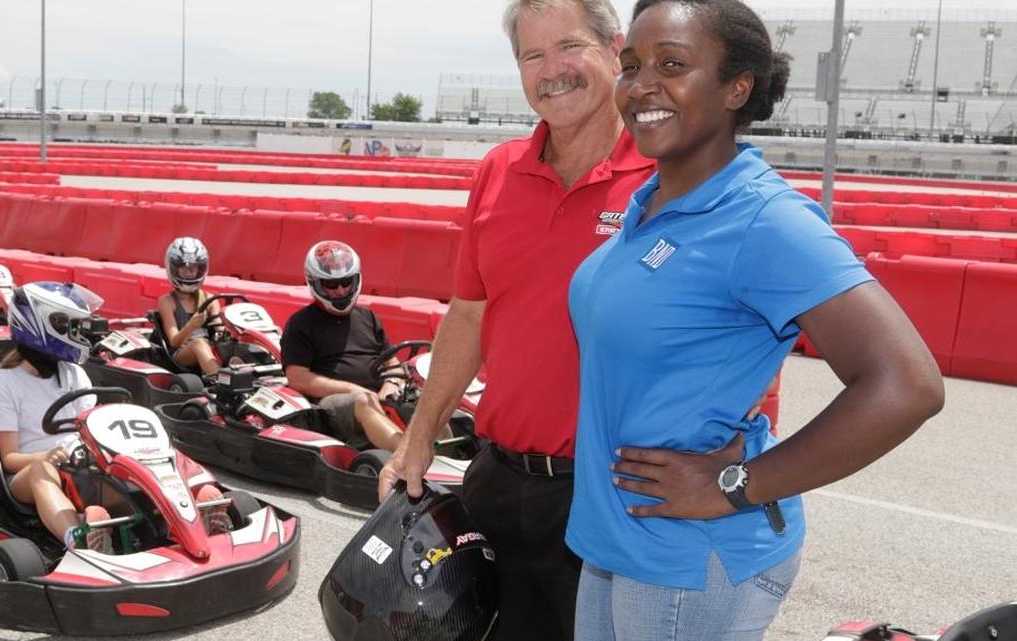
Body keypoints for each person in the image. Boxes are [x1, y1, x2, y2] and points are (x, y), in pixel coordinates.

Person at [564, 2, 945, 640]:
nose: (643, 84)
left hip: (690, 557)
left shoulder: (763, 219)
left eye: (673, 64)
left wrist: (737, 483)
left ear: (737, 87)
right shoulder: (651, 207)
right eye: (631, 66)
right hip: (619, 540)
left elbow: (908, 384)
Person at [377, 2, 656, 640]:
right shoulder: (497, 173)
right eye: (532, 56)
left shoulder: (668, 177)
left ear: (615, 48)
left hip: (609, 495)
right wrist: (419, 436)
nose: (551, 71)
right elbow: (469, 314)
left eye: (569, 47)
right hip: (497, 482)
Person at [0, 282, 230, 555]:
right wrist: (46, 456)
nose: (78, 334)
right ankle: (76, 537)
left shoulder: (73, 373)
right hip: (30, 472)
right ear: (43, 325)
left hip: (78, 459)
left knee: (146, 453)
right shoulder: (5, 384)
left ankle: (195, 506)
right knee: (42, 473)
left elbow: (91, 418)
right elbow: (8, 458)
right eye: (72, 327)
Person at [282, 241, 414, 452]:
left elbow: (392, 363)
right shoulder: (301, 324)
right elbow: (298, 378)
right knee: (363, 401)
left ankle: (451, 455)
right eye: (331, 285)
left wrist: (391, 384)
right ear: (315, 283)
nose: (341, 290)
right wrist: (353, 389)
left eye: (346, 282)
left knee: (425, 395)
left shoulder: (368, 317)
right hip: (329, 407)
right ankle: (408, 458)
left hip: (376, 396)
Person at [157, 237, 222, 376]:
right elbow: (174, 342)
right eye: (184, 269)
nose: (189, 273)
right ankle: (221, 383)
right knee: (199, 344)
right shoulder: (167, 301)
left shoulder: (210, 299)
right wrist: (192, 325)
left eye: (193, 268)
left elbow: (220, 332)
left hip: (209, 349)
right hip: (181, 353)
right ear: (174, 268)